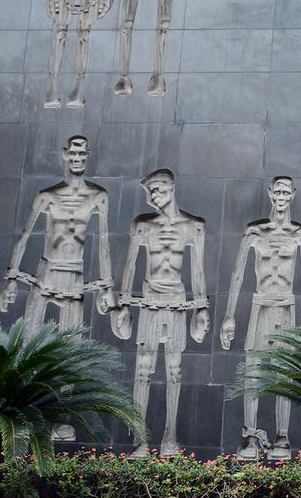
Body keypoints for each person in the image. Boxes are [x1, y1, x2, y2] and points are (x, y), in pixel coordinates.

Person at [0, 135, 116, 442]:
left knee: (69, 351)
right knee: (29, 345)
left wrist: (107, 288)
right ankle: (23, 413)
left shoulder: (98, 196)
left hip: (74, 275)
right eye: (73, 151)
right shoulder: (47, 196)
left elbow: (103, 241)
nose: (77, 156)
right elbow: (24, 236)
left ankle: (61, 419)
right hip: (46, 272)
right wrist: (11, 279)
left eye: (82, 151)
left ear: (87, 155)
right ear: (65, 154)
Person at [220, 176, 301, 460]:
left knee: (283, 374)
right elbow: (237, 274)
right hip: (260, 305)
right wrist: (228, 316)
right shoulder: (254, 232)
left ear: (293, 194)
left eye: (287, 191)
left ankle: (282, 437)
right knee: (253, 373)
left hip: (286, 306)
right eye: (278, 190)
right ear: (270, 193)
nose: (282, 195)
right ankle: (250, 435)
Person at [116, 169, 210, 458]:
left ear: (171, 188)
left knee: (175, 370)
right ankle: (140, 440)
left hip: (177, 300)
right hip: (149, 300)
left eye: (158, 190)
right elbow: (130, 266)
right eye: (150, 192)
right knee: (143, 369)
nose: (154, 197)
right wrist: (123, 306)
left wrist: (202, 308)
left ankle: (170, 436)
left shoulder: (193, 226)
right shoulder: (143, 225)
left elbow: (197, 270)